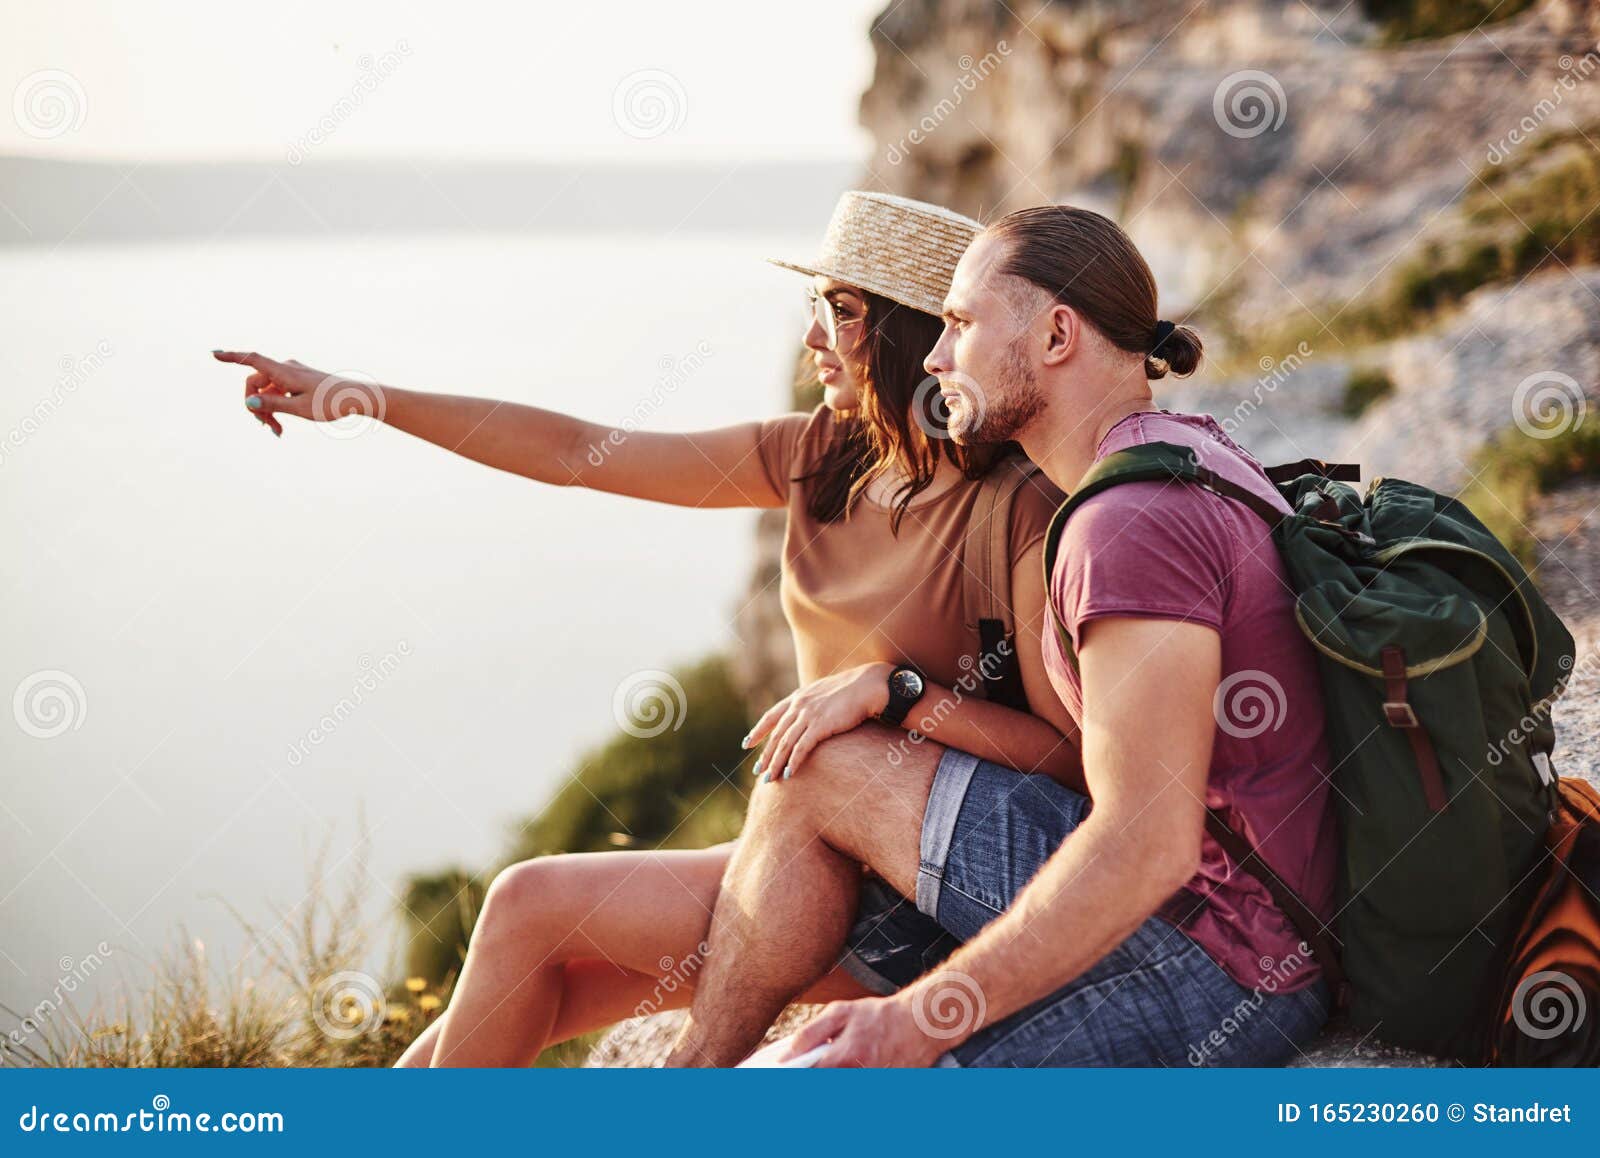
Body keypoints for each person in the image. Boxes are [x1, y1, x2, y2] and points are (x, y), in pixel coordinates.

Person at [211, 191, 1079, 1067]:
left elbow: (1070, 760)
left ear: (916, 334)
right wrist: (362, 398)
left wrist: (896, 697)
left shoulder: (1016, 509)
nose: (813, 334)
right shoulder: (820, 456)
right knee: (525, 968)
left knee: (524, 908)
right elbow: (578, 453)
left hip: (914, 887)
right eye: (813, 304)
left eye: (841, 310)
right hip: (799, 861)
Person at [664, 204, 1337, 1068]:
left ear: (1057, 335)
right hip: (1215, 903)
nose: (938, 359)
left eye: (960, 324)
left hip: (1222, 959)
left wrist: (915, 1020)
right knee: (824, 763)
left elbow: (1147, 842)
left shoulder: (1128, 524)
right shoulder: (1173, 451)